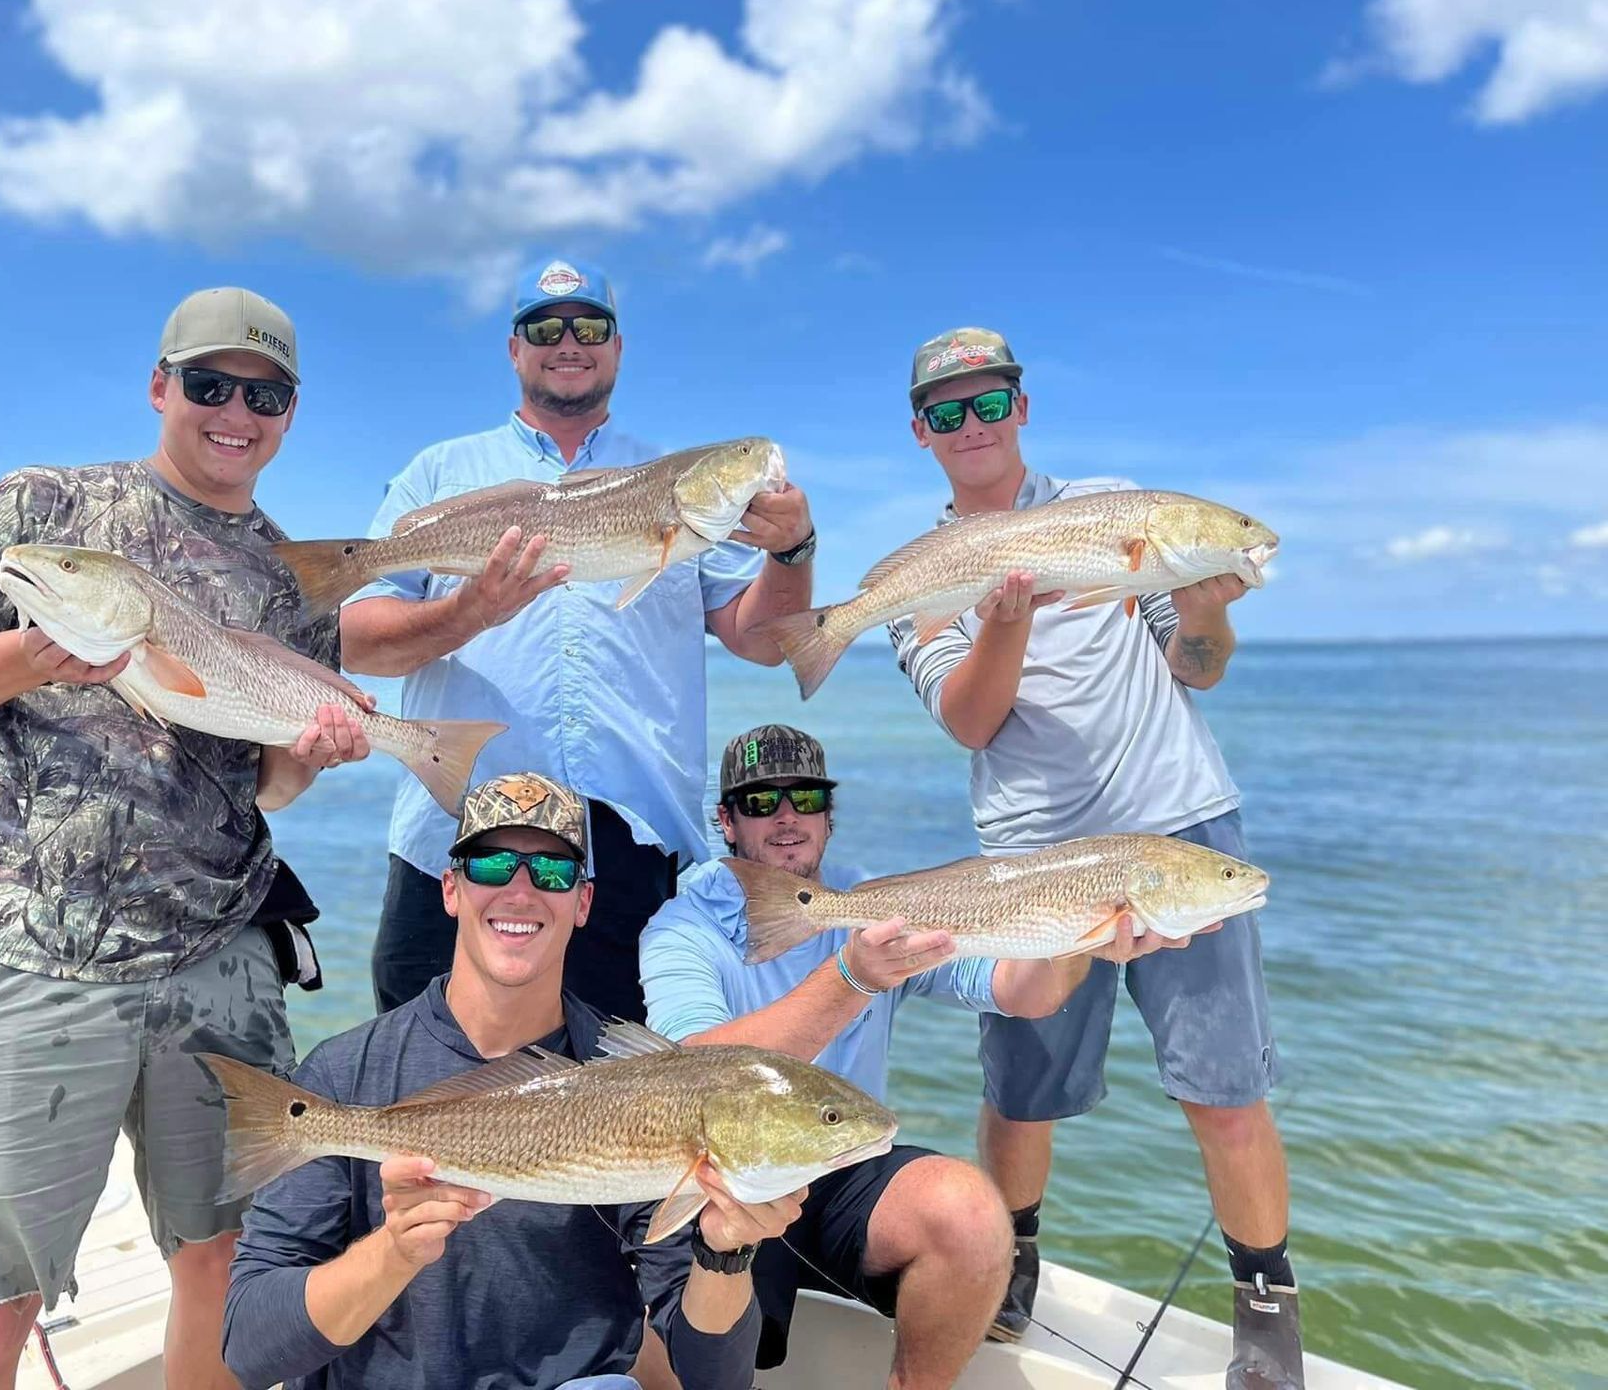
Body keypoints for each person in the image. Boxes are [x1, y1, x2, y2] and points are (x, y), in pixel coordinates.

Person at [0, 287, 371, 1390]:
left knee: (229, 1258)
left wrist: (312, 750)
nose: (235, 410)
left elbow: (270, 788)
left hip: (221, 953)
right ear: (160, 386)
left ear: (290, 413)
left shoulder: (291, 577)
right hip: (26, 954)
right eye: (209, 383)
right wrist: (35, 656)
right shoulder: (45, 508)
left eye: (265, 393)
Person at [886, 327, 1299, 1388]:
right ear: (922, 432)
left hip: (1179, 827)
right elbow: (972, 723)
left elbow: (1197, 668)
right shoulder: (926, 575)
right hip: (1033, 861)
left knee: (1224, 1088)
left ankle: (1266, 1305)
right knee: (1024, 1091)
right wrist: (1006, 626)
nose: (972, 424)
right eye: (948, 411)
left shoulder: (1116, 508)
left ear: (1023, 406)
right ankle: (1014, 1257)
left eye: (990, 401)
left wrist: (1203, 607)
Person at [640, 725, 1204, 1387]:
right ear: (727, 822)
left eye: (805, 797)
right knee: (683, 1368)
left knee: (969, 1215)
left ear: (829, 816)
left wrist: (1078, 934)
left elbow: (1016, 993)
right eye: (762, 802)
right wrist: (852, 977)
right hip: (724, 1177)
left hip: (842, 1162)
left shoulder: (873, 902)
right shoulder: (684, 926)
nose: (786, 816)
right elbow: (688, 1070)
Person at [341, 258, 818, 1022]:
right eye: (545, 327)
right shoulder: (438, 475)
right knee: (428, 1099)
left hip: (632, 848)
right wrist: (471, 611)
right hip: (456, 840)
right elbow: (359, 642)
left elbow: (762, 641)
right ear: (514, 348)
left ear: (618, 347)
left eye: (589, 325)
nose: (569, 342)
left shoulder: (672, 484)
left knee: (617, 1116)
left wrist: (792, 550)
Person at [224, 771, 802, 1390]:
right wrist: (395, 1251)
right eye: (492, 866)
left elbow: (714, 1379)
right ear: (451, 888)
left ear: (582, 903)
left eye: (552, 872)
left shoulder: (635, 1085)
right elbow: (251, 1348)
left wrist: (724, 1253)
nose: (521, 892)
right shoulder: (344, 1073)